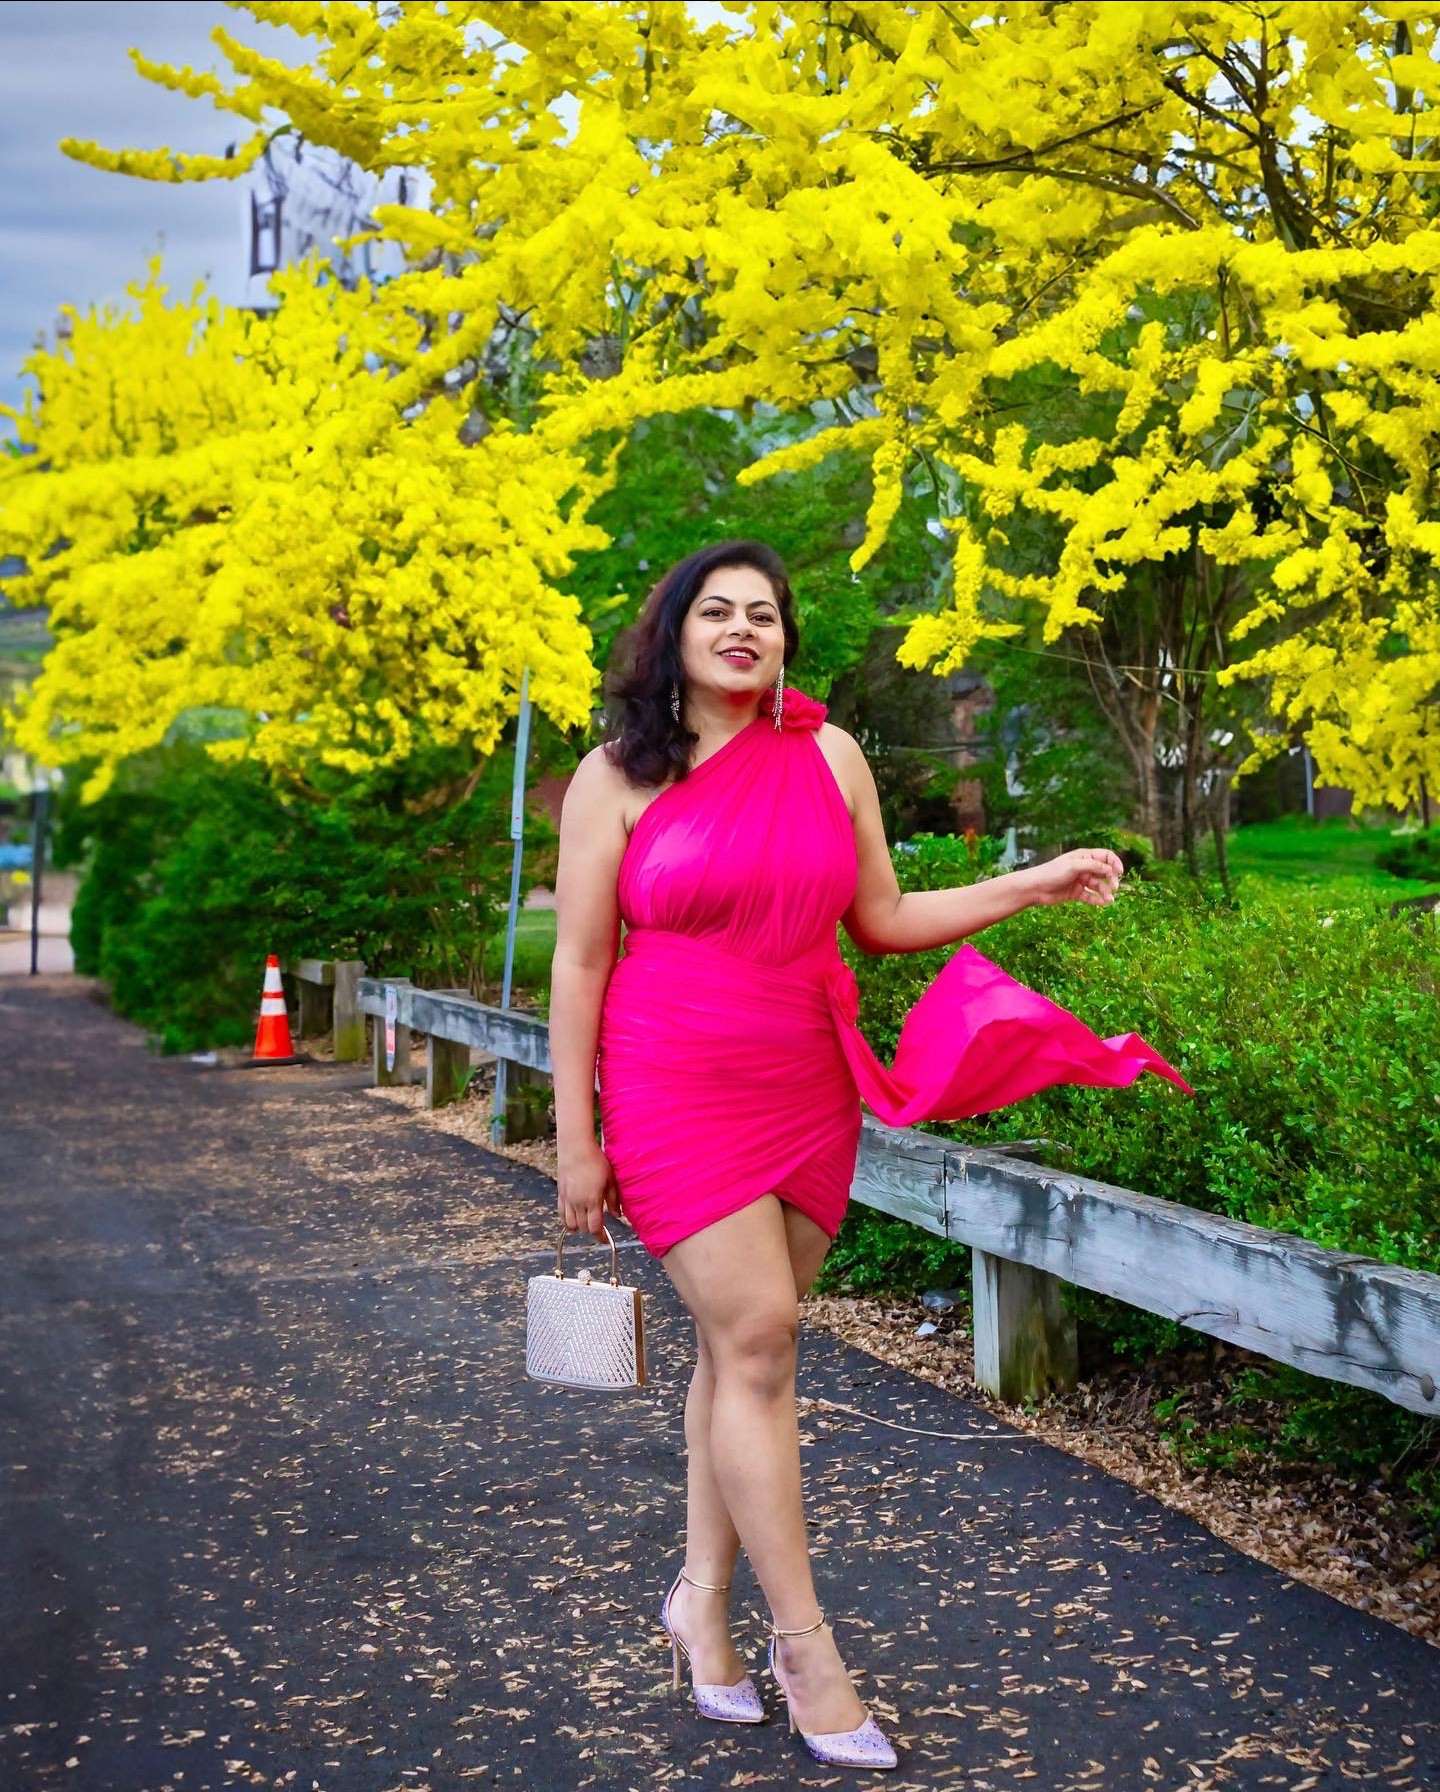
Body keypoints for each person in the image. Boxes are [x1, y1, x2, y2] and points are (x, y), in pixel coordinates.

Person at [548, 540, 1189, 1772]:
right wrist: (577, 1136)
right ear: (675, 633)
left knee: (740, 1350)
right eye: (719, 612)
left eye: (767, 616)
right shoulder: (613, 778)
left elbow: (882, 920)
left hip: (802, 1078)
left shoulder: (829, 757)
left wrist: (1033, 883)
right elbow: (579, 959)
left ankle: (701, 1605)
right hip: (671, 1077)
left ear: (786, 640)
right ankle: (807, 1646)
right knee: (761, 1341)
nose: (745, 630)